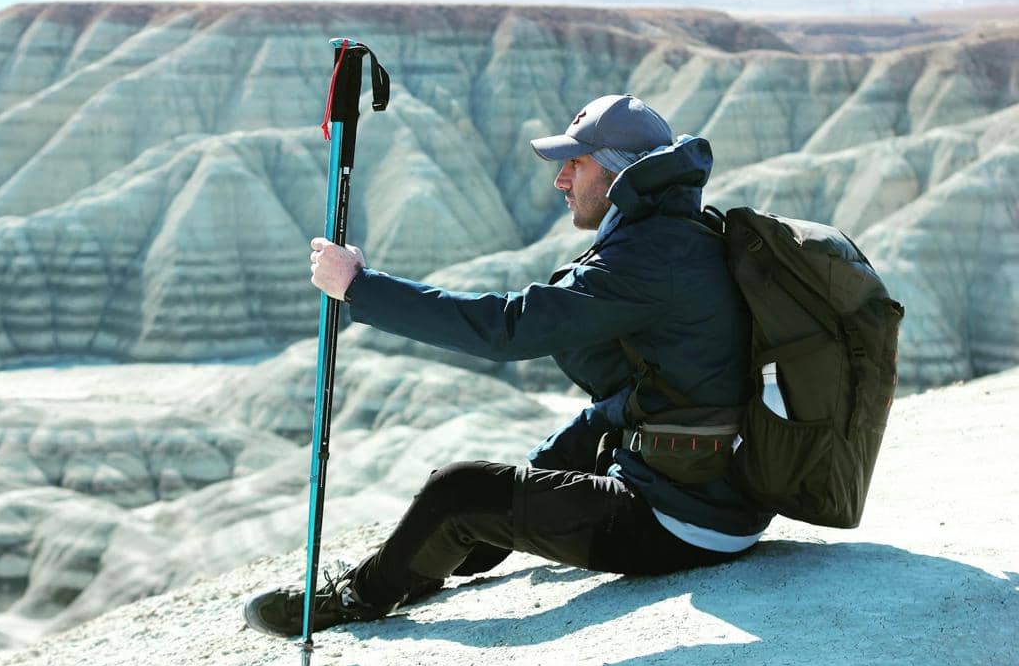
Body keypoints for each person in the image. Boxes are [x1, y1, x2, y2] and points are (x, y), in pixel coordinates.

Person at [243, 94, 772, 637]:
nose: (560, 180)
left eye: (576, 163)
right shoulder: (677, 233)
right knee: (503, 486)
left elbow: (507, 328)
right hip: (710, 493)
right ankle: (431, 559)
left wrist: (360, 288)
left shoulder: (648, 258)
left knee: (457, 490)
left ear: (620, 174)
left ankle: (354, 600)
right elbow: (642, 392)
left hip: (683, 520)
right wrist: (528, 480)